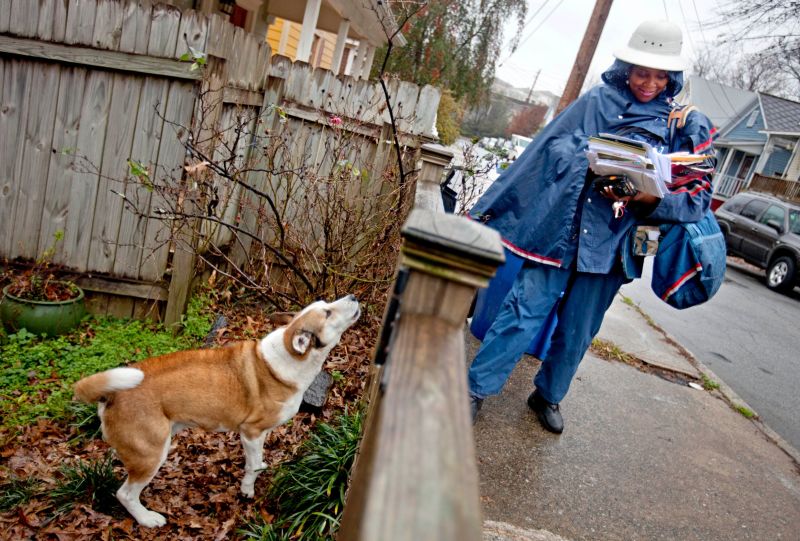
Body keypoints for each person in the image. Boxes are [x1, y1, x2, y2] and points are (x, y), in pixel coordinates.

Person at [467, 20, 716, 433]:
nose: (648, 83)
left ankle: (547, 395)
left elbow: (698, 198)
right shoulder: (595, 102)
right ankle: (474, 390)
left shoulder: (684, 124)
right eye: (641, 72)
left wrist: (648, 197)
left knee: (578, 330)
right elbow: (546, 150)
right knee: (521, 313)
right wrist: (584, 158)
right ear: (626, 67)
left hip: (615, 245)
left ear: (672, 77)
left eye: (658, 75)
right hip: (560, 233)